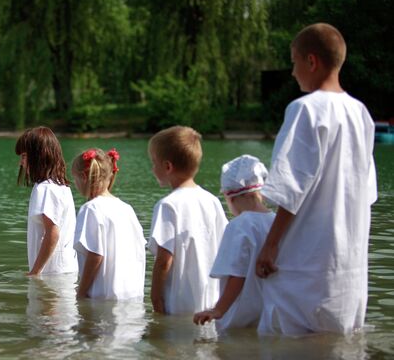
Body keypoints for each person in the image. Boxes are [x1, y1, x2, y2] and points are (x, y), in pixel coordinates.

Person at [255, 23, 378, 335]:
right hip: (348, 264)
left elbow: (290, 187)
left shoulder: (305, 110)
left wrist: (270, 245)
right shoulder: (360, 112)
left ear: (312, 61)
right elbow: (368, 192)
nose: (293, 72)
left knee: (290, 344)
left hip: (306, 259)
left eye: (294, 62)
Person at [148, 125, 228, 314]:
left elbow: (163, 261)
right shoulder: (213, 201)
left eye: (154, 162)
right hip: (211, 299)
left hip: (179, 303)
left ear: (167, 166)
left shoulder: (168, 205)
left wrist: (155, 298)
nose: (152, 168)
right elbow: (225, 246)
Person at [193, 155, 275, 332]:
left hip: (239, 319)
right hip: (269, 318)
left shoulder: (238, 226)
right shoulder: (276, 223)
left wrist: (218, 310)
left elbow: (236, 275)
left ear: (230, 196)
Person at [71, 148, 146, 300]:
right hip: (132, 296)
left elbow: (95, 256)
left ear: (84, 176)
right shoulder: (127, 209)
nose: (75, 184)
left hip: (102, 298)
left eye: (75, 179)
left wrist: (81, 292)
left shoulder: (90, 208)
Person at [15, 126, 78, 276]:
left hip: (52, 274)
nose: (21, 163)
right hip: (64, 271)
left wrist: (35, 272)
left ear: (39, 156)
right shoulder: (60, 185)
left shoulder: (45, 189)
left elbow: (52, 233)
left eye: (24, 156)